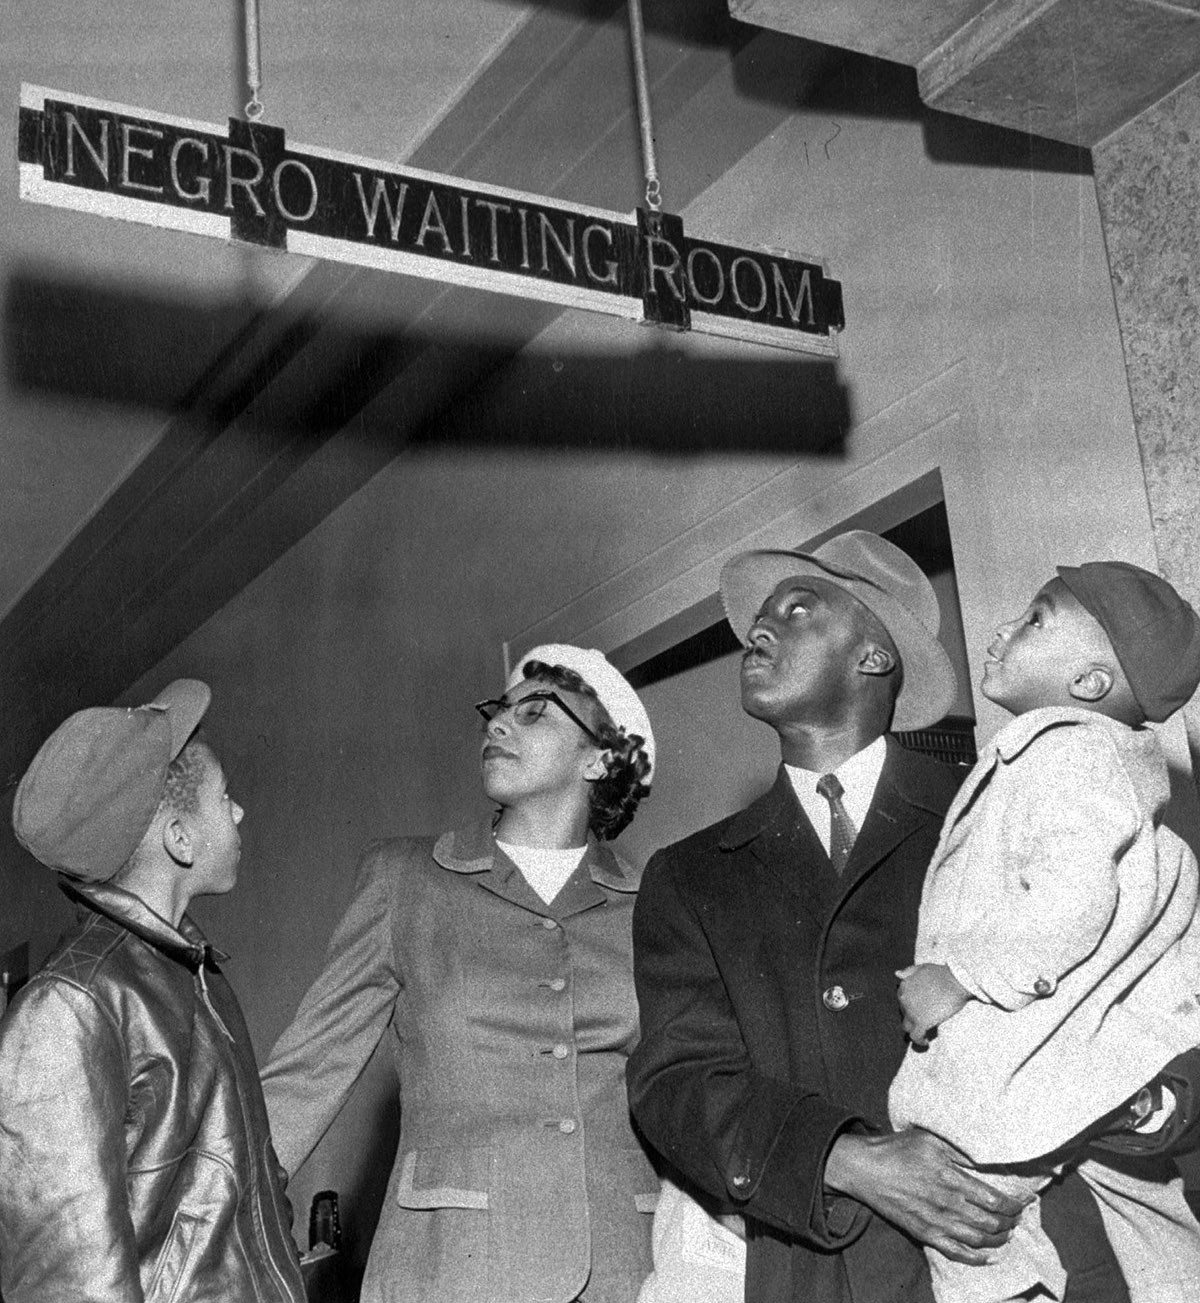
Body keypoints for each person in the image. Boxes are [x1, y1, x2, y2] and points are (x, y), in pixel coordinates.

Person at [626, 530, 1193, 1303]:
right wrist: (849, 1159)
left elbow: (1170, 993)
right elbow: (676, 1085)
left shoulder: (1019, 801)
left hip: (1039, 1250)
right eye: (761, 617)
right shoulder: (689, 874)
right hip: (822, 1273)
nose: (759, 629)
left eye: (797, 607)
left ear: (873, 656)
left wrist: (1141, 1105)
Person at [260, 644, 658, 1303]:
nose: (498, 724)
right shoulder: (405, 878)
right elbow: (308, 1068)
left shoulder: (655, 906)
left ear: (600, 757)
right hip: (450, 1269)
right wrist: (200, 1211)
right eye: (499, 711)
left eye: (535, 713)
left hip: (624, 1271)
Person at [889, 561, 1200, 1302]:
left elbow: (1072, 894)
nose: (1002, 628)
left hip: (1024, 1061)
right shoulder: (1106, 770)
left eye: (1036, 618)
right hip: (1101, 1068)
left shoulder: (1065, 751)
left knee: (964, 1201)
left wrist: (964, 975)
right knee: (1151, 1212)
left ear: (1091, 683)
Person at [0, 679, 305, 1303]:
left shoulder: (197, 976)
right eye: (224, 797)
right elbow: (69, 1284)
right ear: (179, 840)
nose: (239, 811)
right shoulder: (68, 1005)